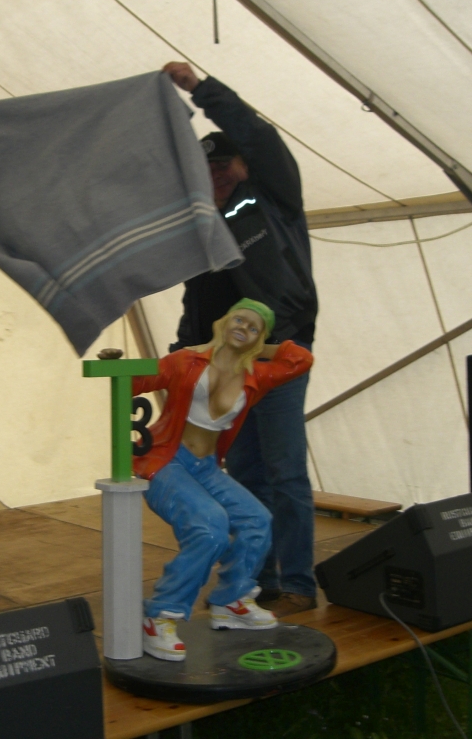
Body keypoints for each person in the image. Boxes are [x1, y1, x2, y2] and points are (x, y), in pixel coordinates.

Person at [163, 62, 320, 618]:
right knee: (247, 473)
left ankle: (298, 582)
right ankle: (258, 581)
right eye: (206, 168)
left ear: (245, 165)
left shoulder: (272, 198)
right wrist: (181, 355)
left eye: (224, 164)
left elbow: (258, 135)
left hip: (278, 359)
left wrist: (200, 90)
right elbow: (199, 300)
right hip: (227, 371)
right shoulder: (202, 224)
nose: (217, 176)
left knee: (284, 471)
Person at [132, 299, 312, 661]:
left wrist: (260, 348)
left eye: (253, 328)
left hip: (207, 466)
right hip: (168, 461)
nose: (243, 328)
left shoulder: (256, 374)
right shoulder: (186, 361)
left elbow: (300, 359)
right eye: (239, 320)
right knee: (210, 528)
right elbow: (134, 380)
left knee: (257, 519)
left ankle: (231, 601)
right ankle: (160, 615)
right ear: (223, 320)